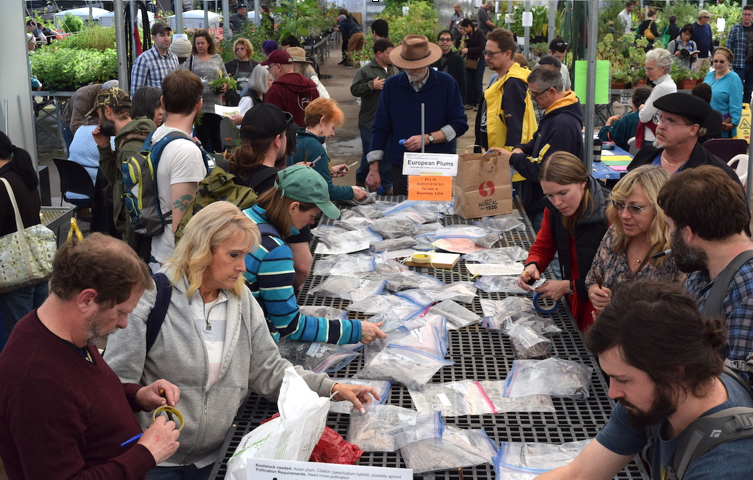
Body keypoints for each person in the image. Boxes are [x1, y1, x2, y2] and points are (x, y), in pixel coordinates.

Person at [104, 202, 380, 479]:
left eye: (246, 255)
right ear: (200, 249)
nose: (242, 267)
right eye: (234, 254)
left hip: (217, 458)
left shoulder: (241, 299)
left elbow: (268, 370)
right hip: (155, 463)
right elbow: (115, 386)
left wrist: (331, 387)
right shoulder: (151, 298)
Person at [0, 234, 182, 479]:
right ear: (86, 299)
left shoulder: (70, 333)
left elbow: (82, 400)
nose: (124, 323)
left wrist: (136, 395)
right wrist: (146, 453)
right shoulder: (36, 382)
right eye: (119, 312)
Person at [535, 281, 753, 480]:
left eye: (623, 380)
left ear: (674, 372)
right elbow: (578, 474)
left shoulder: (728, 463)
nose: (613, 393)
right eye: (611, 377)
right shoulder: (654, 398)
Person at [243, 166, 386, 344]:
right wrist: (355, 330)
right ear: (294, 207)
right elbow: (288, 326)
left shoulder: (244, 217)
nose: (311, 222)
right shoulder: (274, 251)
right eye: (312, 215)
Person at [657, 165, 753, 361]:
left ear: (687, 233)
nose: (668, 237)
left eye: (669, 227)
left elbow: (737, 382)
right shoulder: (702, 268)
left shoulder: (747, 288)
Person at [366, 35, 468, 196]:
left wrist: (429, 138)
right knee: (406, 212)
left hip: (438, 164)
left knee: (437, 213)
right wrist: (373, 168)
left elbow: (459, 124)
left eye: (416, 65)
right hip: (403, 164)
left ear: (427, 63)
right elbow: (380, 127)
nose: (410, 70)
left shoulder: (447, 84)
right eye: (406, 65)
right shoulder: (392, 86)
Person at [517, 152, 608, 330]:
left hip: (601, 304)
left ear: (582, 183)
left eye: (563, 193)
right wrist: (532, 265)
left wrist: (569, 286)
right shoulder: (554, 209)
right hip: (574, 297)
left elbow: (615, 276)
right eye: (550, 195)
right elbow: (543, 245)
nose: (557, 202)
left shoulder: (609, 213)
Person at [586, 166, 683, 317]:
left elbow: (681, 314)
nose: (624, 215)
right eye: (619, 205)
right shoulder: (615, 233)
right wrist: (595, 293)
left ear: (660, 209)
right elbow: (593, 278)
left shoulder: (677, 250)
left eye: (635, 208)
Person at [496, 65, 583, 232]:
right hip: (541, 203)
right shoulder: (554, 112)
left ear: (551, 91)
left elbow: (543, 170)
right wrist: (520, 148)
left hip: (549, 207)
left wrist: (513, 158)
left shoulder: (562, 125)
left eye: (535, 94)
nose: (532, 98)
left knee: (550, 252)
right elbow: (537, 141)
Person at [149, 69, 208, 269]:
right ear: (199, 104)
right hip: (177, 258)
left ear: (163, 102)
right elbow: (182, 221)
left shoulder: (156, 136)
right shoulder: (185, 150)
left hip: (161, 247)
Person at [91, 87, 156, 257]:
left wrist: (129, 246)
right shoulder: (132, 138)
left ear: (107, 110)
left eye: (98, 116)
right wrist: (104, 147)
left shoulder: (129, 147)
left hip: (137, 236)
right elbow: (118, 184)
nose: (98, 122)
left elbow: (133, 202)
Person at [628, 93, 742, 184]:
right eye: (660, 118)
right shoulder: (646, 155)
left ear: (693, 129)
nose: (660, 126)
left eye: (671, 121)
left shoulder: (717, 174)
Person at [0, 132, 47, 337]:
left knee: (20, 337)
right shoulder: (23, 175)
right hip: (37, 263)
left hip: (15, 271)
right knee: (41, 329)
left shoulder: (3, 184)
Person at [475, 27, 536, 165]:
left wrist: (511, 161)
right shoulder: (500, 80)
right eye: (485, 52)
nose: (486, 57)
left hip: (505, 166)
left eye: (491, 54)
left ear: (507, 54)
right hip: (495, 158)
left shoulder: (513, 83)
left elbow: (516, 129)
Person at [291, 98, 367, 202]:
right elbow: (326, 191)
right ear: (322, 121)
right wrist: (352, 191)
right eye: (333, 127)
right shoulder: (315, 147)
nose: (333, 133)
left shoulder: (298, 139)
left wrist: (328, 171)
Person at [351, 38, 398, 195]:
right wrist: (371, 86)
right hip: (369, 121)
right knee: (370, 155)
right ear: (379, 54)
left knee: (387, 154)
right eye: (388, 53)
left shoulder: (395, 70)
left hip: (389, 121)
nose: (391, 56)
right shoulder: (366, 70)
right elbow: (355, 89)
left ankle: (386, 186)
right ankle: (361, 178)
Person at [183, 29, 227, 153]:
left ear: (208, 43)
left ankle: (218, 161)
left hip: (215, 104)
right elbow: (185, 77)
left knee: (216, 136)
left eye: (202, 43)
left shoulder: (216, 58)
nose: (200, 46)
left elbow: (225, 76)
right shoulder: (190, 59)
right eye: (197, 43)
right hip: (198, 104)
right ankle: (204, 162)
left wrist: (224, 84)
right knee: (201, 137)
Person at [262, 49, 320, 129]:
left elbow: (271, 122)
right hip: (310, 137)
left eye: (270, 68)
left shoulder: (276, 90)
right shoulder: (311, 85)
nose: (270, 72)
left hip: (287, 139)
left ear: (278, 67)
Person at [61, 80, 119, 154]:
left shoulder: (106, 92)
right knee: (75, 158)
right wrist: (91, 142)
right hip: (70, 127)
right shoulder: (82, 97)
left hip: (91, 125)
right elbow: (75, 125)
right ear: (101, 91)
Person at [635, 48, 676, 148]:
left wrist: (642, 108)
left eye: (650, 69)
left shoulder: (661, 87)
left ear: (662, 68)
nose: (647, 72)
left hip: (652, 138)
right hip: (658, 135)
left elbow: (644, 117)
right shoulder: (670, 84)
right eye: (646, 68)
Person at [704, 47, 743, 137]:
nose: (718, 64)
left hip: (723, 125)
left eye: (722, 61)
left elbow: (736, 103)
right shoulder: (709, 75)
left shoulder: (734, 79)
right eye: (715, 61)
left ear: (729, 62)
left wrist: (733, 123)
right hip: (706, 123)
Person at [130, 22, 179, 95]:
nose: (166, 39)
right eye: (162, 35)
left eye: (168, 35)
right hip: (153, 105)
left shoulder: (174, 58)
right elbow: (136, 92)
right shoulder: (144, 59)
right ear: (153, 38)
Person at [598, 86, 652, 151]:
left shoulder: (626, 120)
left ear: (633, 102)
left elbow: (606, 138)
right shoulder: (657, 119)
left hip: (627, 157)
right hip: (651, 158)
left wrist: (609, 121)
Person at [432, 30, 467, 112]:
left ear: (452, 42)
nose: (445, 42)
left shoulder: (458, 59)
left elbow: (463, 81)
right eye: (442, 39)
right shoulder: (433, 59)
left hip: (452, 97)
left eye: (448, 40)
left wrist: (461, 102)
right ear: (438, 42)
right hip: (435, 97)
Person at [457, 18, 486, 110]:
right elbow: (458, 43)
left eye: (464, 28)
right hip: (469, 61)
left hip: (479, 60)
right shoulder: (466, 35)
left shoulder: (479, 33)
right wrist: (462, 38)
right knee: (469, 82)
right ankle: (470, 102)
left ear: (469, 26)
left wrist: (469, 50)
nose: (463, 30)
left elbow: (482, 47)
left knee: (477, 82)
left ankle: (478, 102)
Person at [224, 37, 259, 105]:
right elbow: (222, 78)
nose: (239, 50)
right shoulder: (229, 65)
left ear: (248, 50)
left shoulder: (256, 65)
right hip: (234, 102)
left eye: (242, 48)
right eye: (237, 49)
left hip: (251, 102)